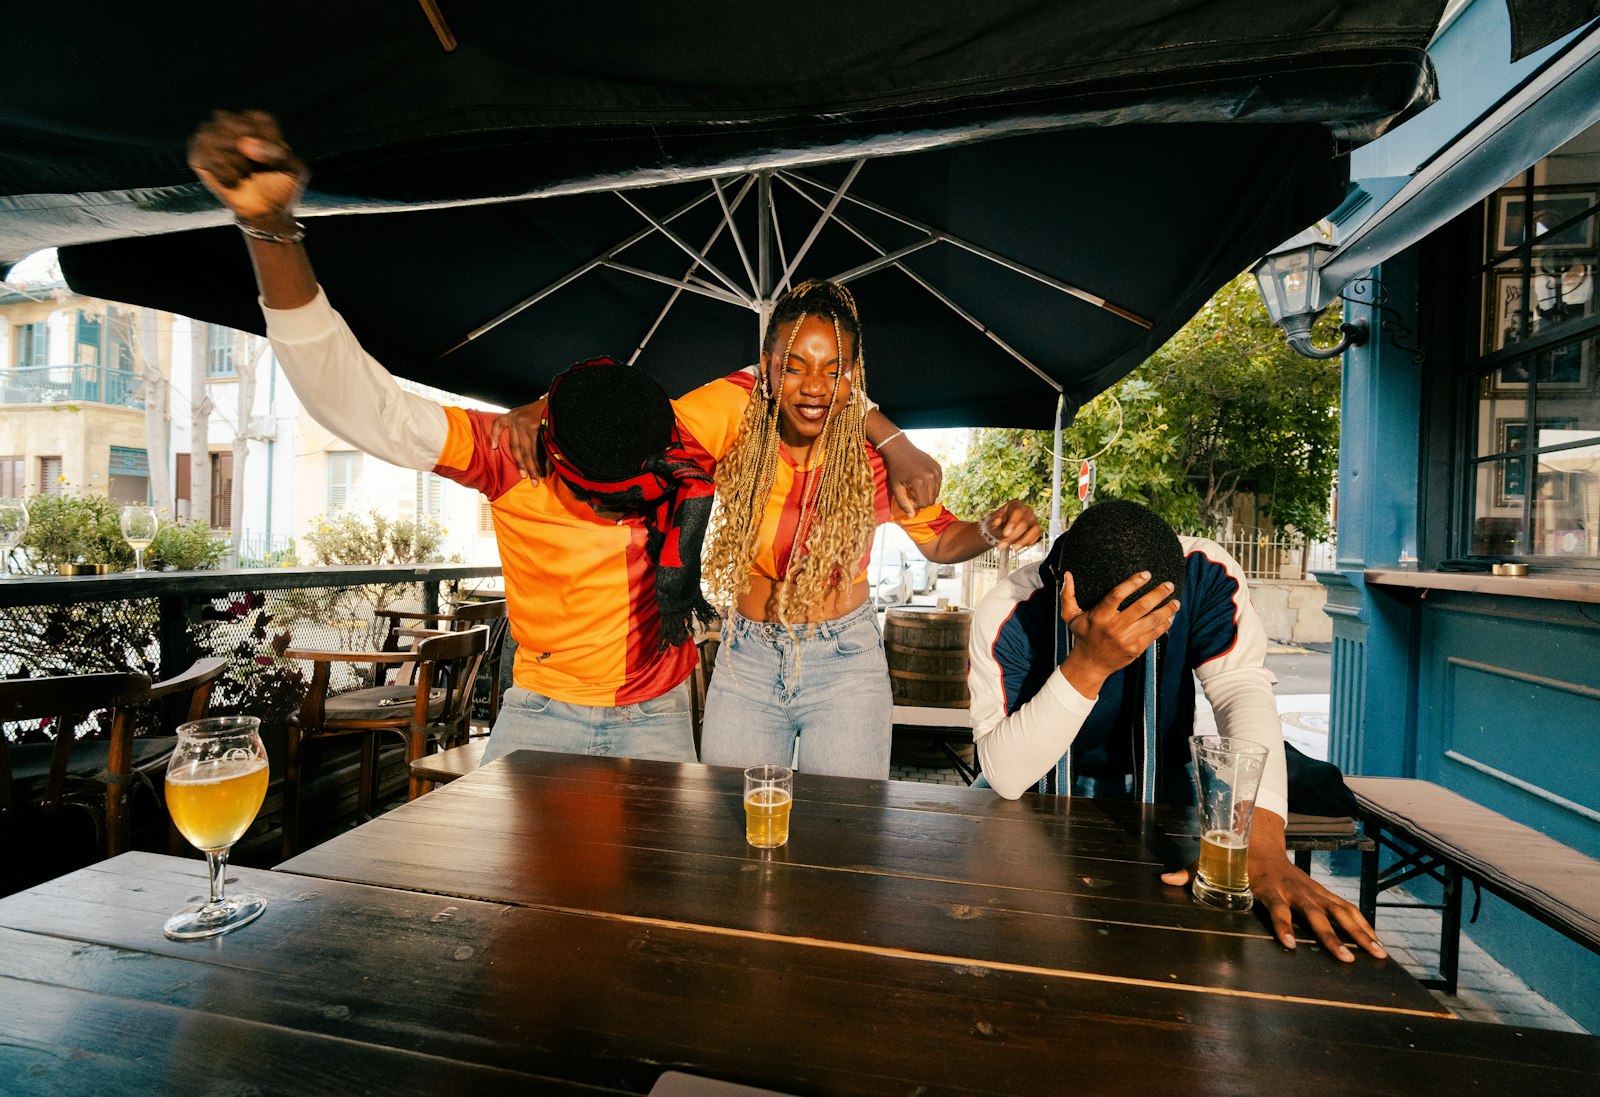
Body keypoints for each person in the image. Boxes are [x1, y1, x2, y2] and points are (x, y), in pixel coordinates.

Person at [186, 110, 939, 766]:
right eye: (609, 501)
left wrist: (893, 434)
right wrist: (271, 233)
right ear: (556, 457)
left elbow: (786, 372)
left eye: (645, 493)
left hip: (660, 713)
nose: (631, 515)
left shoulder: (675, 438)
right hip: (540, 712)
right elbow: (354, 400)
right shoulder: (510, 452)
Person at [968, 499, 1385, 963]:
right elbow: (1006, 776)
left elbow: (1239, 688)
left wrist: (1263, 844)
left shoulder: (1204, 572)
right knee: (1031, 937)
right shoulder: (1008, 610)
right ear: (1068, 597)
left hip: (1161, 775)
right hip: (1034, 782)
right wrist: (1089, 662)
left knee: (1175, 947)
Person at [694, 279, 1040, 779]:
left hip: (844, 664)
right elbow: (645, 427)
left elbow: (941, 540)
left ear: (852, 378)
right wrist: (541, 409)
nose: (814, 386)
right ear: (767, 367)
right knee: (733, 831)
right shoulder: (736, 428)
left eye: (833, 371)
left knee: (841, 835)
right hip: (745, 657)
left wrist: (992, 526)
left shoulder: (872, 462)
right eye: (794, 367)